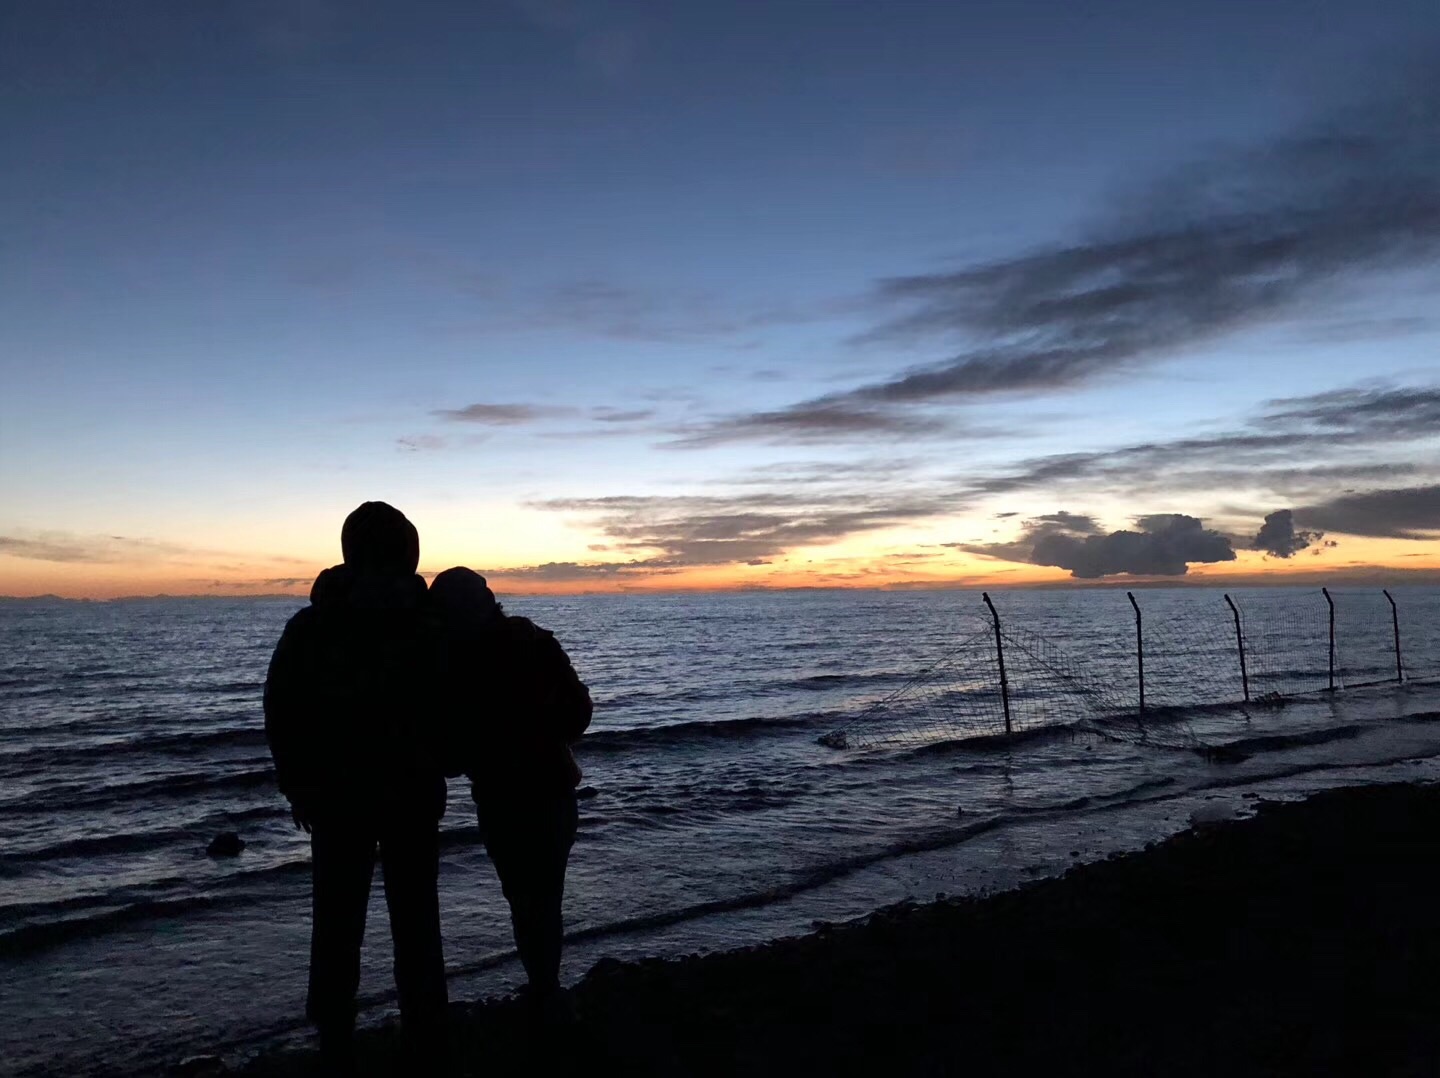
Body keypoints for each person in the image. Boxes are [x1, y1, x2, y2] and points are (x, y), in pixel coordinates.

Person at [263, 502, 448, 1073]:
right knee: (414, 921)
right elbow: (453, 705)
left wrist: (298, 784)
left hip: (340, 798)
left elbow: (281, 711)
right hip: (403, 794)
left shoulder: (314, 625)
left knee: (339, 924)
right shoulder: (426, 623)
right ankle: (422, 1035)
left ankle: (338, 1040)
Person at [428, 566, 591, 1019]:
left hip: (511, 797)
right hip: (543, 791)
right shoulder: (531, 641)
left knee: (525, 897)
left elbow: (451, 753)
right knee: (541, 896)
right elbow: (579, 711)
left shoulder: (458, 661)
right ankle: (545, 986)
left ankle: (544, 988)